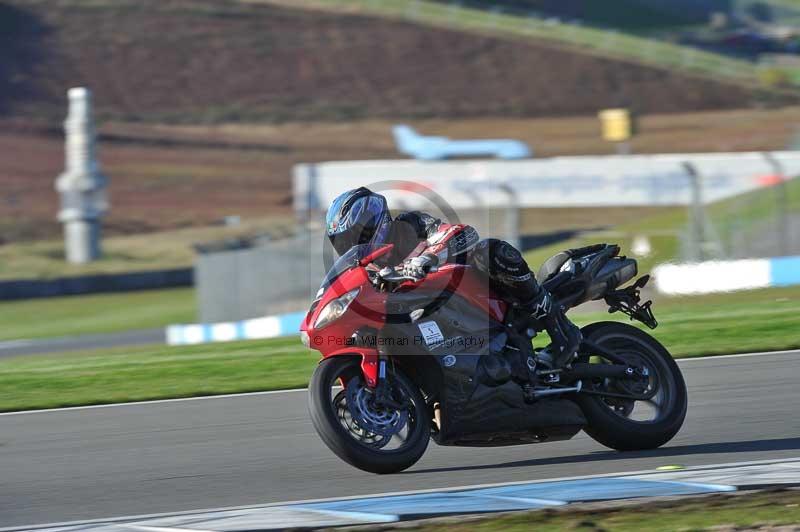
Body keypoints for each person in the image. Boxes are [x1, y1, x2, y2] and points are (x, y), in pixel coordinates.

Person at [325, 187, 582, 369]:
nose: (350, 246)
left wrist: (428, 258)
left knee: (490, 251)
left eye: (354, 237)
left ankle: (559, 328)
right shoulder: (368, 271)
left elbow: (462, 233)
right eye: (343, 242)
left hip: (471, 289)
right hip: (436, 319)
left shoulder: (409, 225)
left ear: (373, 223)